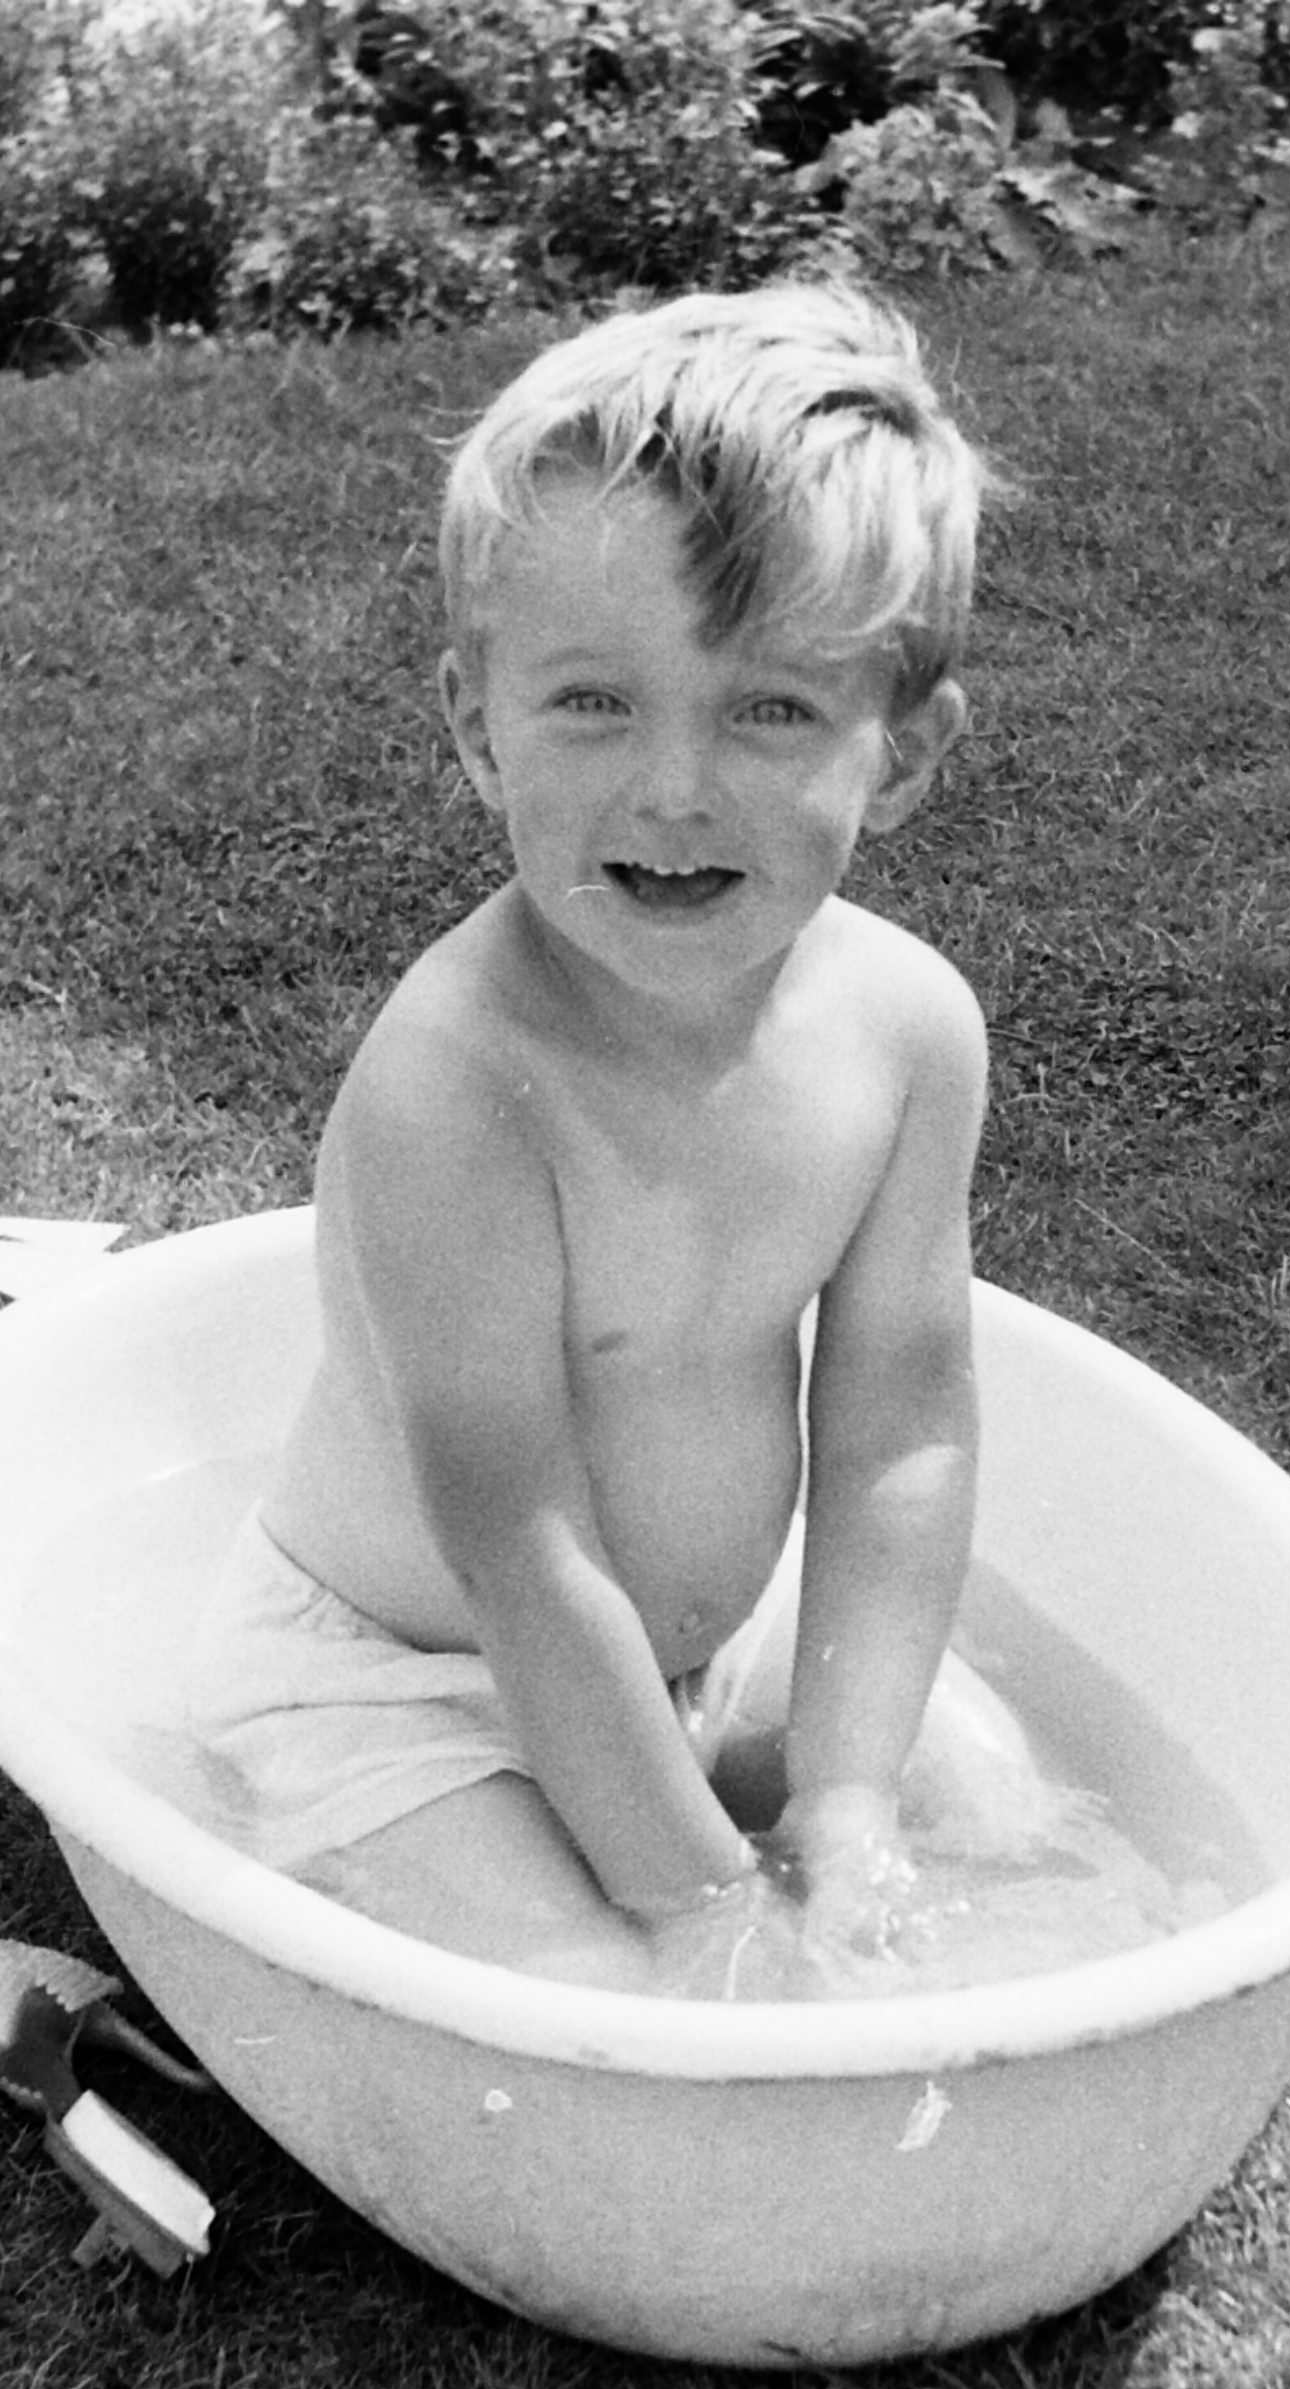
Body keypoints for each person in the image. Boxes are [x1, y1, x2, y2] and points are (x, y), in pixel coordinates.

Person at [153, 279, 1059, 1995]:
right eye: (594, 703)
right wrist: (704, 1904)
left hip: (710, 1657)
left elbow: (900, 1434)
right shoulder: (460, 1082)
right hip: (403, 1681)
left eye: (771, 710)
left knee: (996, 1831)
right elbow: (517, 1544)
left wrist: (848, 1803)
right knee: (615, 1999)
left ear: (904, 754)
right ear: (474, 729)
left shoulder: (905, 1036)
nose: (673, 787)